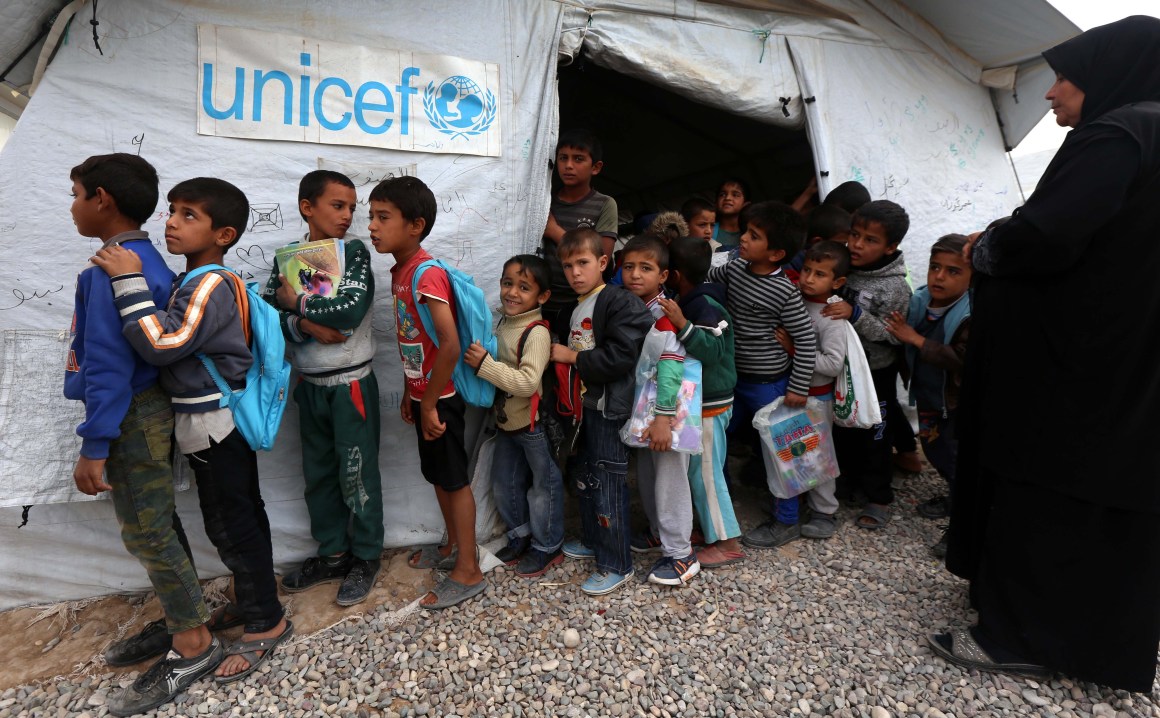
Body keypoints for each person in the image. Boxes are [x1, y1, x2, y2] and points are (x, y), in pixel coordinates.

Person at [931, 16, 1160, 692]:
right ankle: (1097, 642)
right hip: (1131, 359)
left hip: (1075, 365)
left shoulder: (1117, 136)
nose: (1051, 93)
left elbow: (1047, 238)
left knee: (1047, 484)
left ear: (1108, 76)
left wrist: (988, 244)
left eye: (1065, 78)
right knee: (1113, 495)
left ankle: (1020, 637)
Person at [93, 177, 292, 699]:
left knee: (234, 521)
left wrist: (129, 282)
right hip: (206, 421)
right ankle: (253, 602)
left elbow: (163, 343)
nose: (172, 223)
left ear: (223, 233)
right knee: (233, 515)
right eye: (172, 211)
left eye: (188, 215)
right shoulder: (197, 280)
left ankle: (267, 621)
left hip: (214, 423)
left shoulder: (208, 283)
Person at [65, 155, 226, 716]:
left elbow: (108, 364)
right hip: (144, 411)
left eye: (77, 194)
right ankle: (184, 617)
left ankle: (194, 644)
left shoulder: (112, 268)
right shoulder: (148, 261)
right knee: (156, 524)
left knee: (147, 531)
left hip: (130, 415)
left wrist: (95, 444)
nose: (73, 206)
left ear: (102, 199)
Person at [263, 170, 383, 607]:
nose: (348, 215)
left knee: (357, 474)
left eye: (353, 207)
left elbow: (350, 309)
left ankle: (367, 556)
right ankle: (332, 554)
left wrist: (298, 303)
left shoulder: (353, 253)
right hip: (310, 385)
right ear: (306, 207)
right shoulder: (287, 260)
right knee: (318, 475)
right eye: (338, 206)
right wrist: (305, 321)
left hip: (351, 384)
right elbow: (269, 315)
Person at [371, 175, 486, 609]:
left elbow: (450, 343)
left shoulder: (425, 272)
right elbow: (414, 339)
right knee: (438, 474)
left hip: (443, 399)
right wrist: (410, 391)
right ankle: (451, 546)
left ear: (415, 225)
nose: (373, 227)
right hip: (425, 396)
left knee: (454, 480)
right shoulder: (401, 270)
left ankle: (469, 570)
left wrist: (432, 401)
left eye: (384, 217)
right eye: (372, 217)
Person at [704, 201, 817, 550]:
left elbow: (806, 338)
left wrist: (798, 387)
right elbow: (708, 277)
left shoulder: (785, 291)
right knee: (716, 441)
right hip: (735, 380)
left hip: (771, 385)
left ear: (777, 253)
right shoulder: (736, 268)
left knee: (785, 452)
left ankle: (787, 520)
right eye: (746, 232)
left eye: (754, 236)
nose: (744, 240)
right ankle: (718, 506)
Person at [551, 227, 653, 595]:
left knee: (609, 481)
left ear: (603, 262)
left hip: (610, 409)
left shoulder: (618, 302)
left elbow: (623, 357)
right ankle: (595, 541)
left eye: (583, 263)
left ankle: (617, 563)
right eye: (567, 266)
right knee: (587, 476)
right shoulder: (576, 306)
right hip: (585, 410)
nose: (575, 272)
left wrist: (572, 356)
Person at [464, 254, 565, 578]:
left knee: (543, 487)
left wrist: (485, 366)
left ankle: (547, 546)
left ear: (542, 297)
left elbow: (527, 383)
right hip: (507, 425)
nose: (512, 293)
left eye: (524, 287)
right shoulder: (505, 321)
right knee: (504, 483)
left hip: (532, 427)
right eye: (508, 284)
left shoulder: (535, 333)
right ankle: (520, 535)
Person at [823, 200, 911, 530]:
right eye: (854, 234)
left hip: (876, 372)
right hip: (841, 368)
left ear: (891, 246)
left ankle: (878, 496)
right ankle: (846, 481)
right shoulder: (844, 266)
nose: (857, 244)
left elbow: (893, 334)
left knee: (875, 432)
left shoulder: (895, 287)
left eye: (870, 240)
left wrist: (856, 313)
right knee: (842, 426)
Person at [657, 236, 743, 567]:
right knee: (699, 470)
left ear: (674, 275)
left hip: (712, 404)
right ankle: (711, 530)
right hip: (704, 403)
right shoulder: (693, 298)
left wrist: (682, 324)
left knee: (707, 472)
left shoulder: (703, 305)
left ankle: (728, 542)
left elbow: (713, 351)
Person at [619, 235, 700, 586]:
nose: (635, 274)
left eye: (646, 268)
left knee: (669, 479)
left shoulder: (663, 313)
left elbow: (670, 366)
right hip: (648, 410)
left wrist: (664, 418)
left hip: (666, 410)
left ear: (664, 275)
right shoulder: (634, 305)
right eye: (629, 267)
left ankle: (681, 554)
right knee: (650, 473)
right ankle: (657, 533)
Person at [885, 234, 972, 558]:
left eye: (952, 271)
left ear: (971, 277)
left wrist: (916, 339)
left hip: (955, 403)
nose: (939, 276)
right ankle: (954, 498)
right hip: (929, 396)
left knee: (954, 457)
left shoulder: (969, 313)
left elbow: (962, 359)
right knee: (935, 450)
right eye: (935, 267)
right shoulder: (920, 302)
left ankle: (963, 522)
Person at [776, 240, 850, 540]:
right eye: (806, 269)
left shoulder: (832, 316)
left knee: (820, 456)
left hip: (818, 396)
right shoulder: (795, 300)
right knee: (798, 452)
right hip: (793, 392)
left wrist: (795, 350)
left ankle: (825, 511)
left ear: (838, 282)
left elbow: (833, 364)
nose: (808, 278)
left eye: (820, 274)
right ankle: (803, 499)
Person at [541, 129, 619, 340]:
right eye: (563, 158)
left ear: (596, 167)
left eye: (578, 159)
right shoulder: (544, 199)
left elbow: (602, 253)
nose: (568, 165)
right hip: (540, 299)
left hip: (582, 302)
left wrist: (555, 231)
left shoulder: (604, 204)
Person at [711, 178, 750, 249]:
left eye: (735, 195)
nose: (727, 198)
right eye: (722, 194)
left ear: (745, 204)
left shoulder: (750, 233)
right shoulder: (709, 230)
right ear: (716, 202)